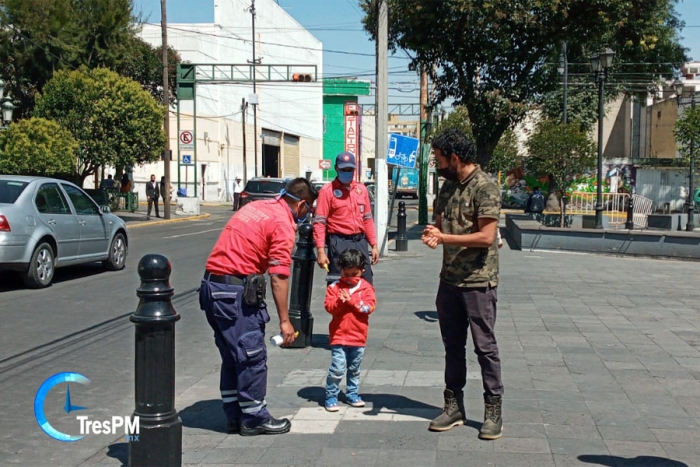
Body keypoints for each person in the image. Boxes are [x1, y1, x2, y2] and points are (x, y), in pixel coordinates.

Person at [199, 177, 318, 436]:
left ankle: (235, 415)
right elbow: (279, 276)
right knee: (251, 355)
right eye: (309, 209)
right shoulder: (282, 223)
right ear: (301, 206)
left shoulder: (256, 206)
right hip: (233, 293)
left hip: (212, 288)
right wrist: (285, 321)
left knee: (233, 357)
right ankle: (254, 418)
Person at [421, 128, 504, 440]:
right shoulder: (448, 186)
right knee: (452, 346)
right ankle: (453, 406)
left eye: (439, 158)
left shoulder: (485, 187)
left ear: (454, 157)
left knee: (485, 348)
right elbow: (440, 226)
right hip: (450, 281)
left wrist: (444, 237)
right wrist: (433, 232)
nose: (437, 163)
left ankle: (493, 410)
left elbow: (486, 237)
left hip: (479, 282)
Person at [313, 152, 378, 285]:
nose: (347, 172)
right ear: (336, 168)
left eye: (350, 170)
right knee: (340, 283)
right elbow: (319, 223)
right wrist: (320, 251)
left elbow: (367, 219)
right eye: (343, 169)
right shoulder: (327, 191)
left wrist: (374, 245)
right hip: (339, 242)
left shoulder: (361, 190)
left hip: (360, 242)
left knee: (365, 282)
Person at [323, 248, 376, 412]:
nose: (350, 278)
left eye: (355, 274)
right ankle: (331, 395)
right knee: (338, 367)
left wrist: (351, 301)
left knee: (354, 368)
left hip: (358, 335)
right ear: (340, 270)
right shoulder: (334, 287)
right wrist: (340, 302)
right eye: (346, 274)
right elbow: (329, 308)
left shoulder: (366, 288)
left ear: (362, 271)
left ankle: (352, 393)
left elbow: (369, 307)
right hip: (339, 335)